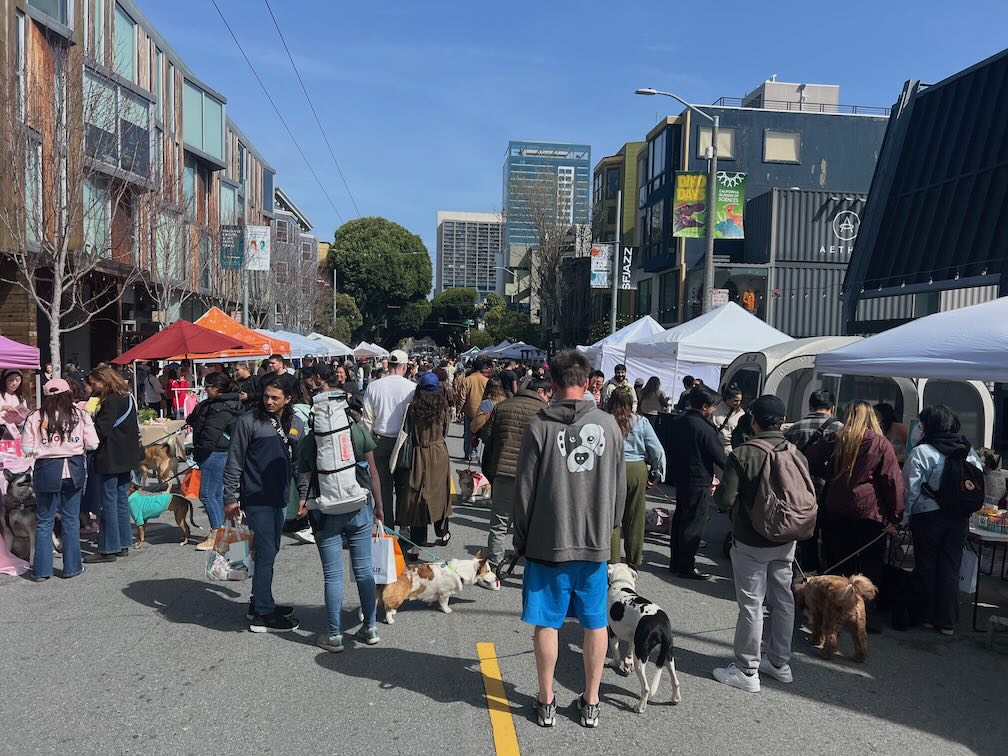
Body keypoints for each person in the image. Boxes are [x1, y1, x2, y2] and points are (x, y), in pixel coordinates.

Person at [513, 350, 625, 729]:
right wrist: (609, 528)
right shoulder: (609, 425)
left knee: (547, 622)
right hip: (594, 542)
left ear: (553, 382)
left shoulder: (540, 426)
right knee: (595, 622)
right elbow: (619, 490)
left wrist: (521, 537)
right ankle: (591, 701)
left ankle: (546, 700)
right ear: (588, 380)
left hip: (548, 541)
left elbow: (524, 491)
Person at [713, 395, 812, 692]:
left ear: (754, 420)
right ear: (781, 421)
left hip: (751, 540)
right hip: (787, 538)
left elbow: (724, 500)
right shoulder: (796, 453)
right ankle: (779, 663)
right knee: (783, 600)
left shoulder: (744, 453)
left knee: (752, 605)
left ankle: (747, 669)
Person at [299, 373, 385, 652]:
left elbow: (304, 475)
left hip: (325, 513)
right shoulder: (358, 432)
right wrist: (379, 508)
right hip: (359, 509)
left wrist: (302, 502)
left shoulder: (312, 439)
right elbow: (374, 474)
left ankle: (334, 635)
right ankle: (370, 627)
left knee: (333, 575)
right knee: (364, 571)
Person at [805, 401, 904, 632]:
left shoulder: (837, 438)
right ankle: (864, 614)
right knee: (870, 563)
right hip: (869, 510)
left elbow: (811, 456)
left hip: (837, 506)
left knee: (838, 560)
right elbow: (891, 481)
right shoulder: (880, 443)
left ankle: (834, 610)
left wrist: (829, 473)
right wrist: (895, 516)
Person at [223, 376, 308, 633]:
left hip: (280, 497)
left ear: (288, 399)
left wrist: (303, 494)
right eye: (266, 396)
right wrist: (230, 497)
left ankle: (260, 600)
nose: (269, 401)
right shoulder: (248, 421)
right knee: (266, 552)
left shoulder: (296, 423)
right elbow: (234, 461)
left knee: (269, 551)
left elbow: (299, 463)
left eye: (275, 398)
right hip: (256, 497)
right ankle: (263, 612)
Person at [903, 405, 983, 635]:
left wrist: (904, 517)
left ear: (929, 425)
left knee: (926, 565)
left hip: (928, 517)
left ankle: (926, 615)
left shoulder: (922, 451)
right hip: (959, 518)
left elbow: (910, 490)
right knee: (950, 566)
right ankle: (947, 621)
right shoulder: (968, 451)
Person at [20, 379, 99, 581]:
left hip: (46, 470)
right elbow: (93, 444)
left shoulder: (35, 416)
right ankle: (72, 567)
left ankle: (41, 571)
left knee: (44, 521)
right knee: (71, 520)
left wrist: (44, 448)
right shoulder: (80, 415)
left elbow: (27, 448)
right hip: (73, 468)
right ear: (68, 393)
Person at [478, 377, 552, 572]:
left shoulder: (502, 407)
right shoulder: (545, 413)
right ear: (541, 392)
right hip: (533, 476)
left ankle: (494, 563)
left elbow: (487, 435)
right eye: (549, 394)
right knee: (533, 523)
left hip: (503, 470)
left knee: (499, 522)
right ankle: (531, 565)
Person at [665, 384, 727, 580]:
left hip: (681, 477)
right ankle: (686, 565)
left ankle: (676, 562)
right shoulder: (704, 428)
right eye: (713, 406)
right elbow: (720, 457)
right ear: (705, 407)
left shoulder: (678, 421)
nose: (714, 410)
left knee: (680, 520)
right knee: (694, 523)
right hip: (699, 479)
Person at [83, 366, 144, 564]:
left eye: (95, 383)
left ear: (104, 380)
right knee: (120, 500)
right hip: (126, 456)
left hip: (110, 456)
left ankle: (109, 548)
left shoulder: (110, 400)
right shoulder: (127, 397)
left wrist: (89, 419)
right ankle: (123, 543)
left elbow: (102, 430)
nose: (93, 387)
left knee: (108, 502)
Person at [784, 389, 844, 570]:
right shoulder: (841, 429)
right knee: (830, 533)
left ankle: (807, 568)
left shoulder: (795, 428)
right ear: (833, 408)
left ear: (810, 406)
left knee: (806, 531)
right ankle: (829, 571)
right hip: (830, 490)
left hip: (800, 488)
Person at [395, 371, 452, 556]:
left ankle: (416, 545)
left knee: (417, 495)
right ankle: (443, 532)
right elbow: (445, 430)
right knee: (440, 494)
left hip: (418, 452)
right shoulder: (443, 408)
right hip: (439, 452)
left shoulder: (413, 408)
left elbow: (407, 432)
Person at [609, 387, 666, 569]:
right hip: (636, 469)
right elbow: (657, 450)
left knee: (612, 516)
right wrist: (657, 472)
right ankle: (633, 559)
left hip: (612, 468)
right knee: (635, 516)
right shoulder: (641, 422)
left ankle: (612, 560)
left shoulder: (606, 421)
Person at [187, 372, 243, 548]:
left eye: (207, 387)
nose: (205, 390)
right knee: (216, 494)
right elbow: (193, 420)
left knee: (207, 495)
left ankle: (217, 534)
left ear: (217, 388)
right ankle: (221, 533)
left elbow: (210, 436)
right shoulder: (217, 404)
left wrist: (198, 455)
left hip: (215, 453)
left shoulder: (219, 408)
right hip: (220, 452)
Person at [362, 349, 415, 531]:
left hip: (379, 441)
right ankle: (404, 527)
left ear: (388, 365)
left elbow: (367, 420)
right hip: (404, 442)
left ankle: (387, 528)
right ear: (404, 366)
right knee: (403, 486)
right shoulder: (411, 387)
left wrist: (366, 446)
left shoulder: (374, 386)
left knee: (383, 488)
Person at [458, 358, 491, 463]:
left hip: (469, 409)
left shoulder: (467, 380)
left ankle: (467, 452)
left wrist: (459, 410)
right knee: (479, 433)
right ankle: (475, 453)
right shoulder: (486, 381)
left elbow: (462, 398)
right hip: (482, 410)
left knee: (468, 432)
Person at [710, 385, 745, 455]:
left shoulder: (741, 413)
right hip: (714, 443)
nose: (738, 403)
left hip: (729, 447)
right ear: (728, 398)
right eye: (735, 401)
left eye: (740, 401)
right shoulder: (716, 407)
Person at [1, 368, 28, 439]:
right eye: (11, 380)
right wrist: (3, 407)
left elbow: (24, 419)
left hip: (15, 433)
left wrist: (19, 420)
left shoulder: (21, 399)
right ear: (5, 380)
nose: (14, 383)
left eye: (17, 380)